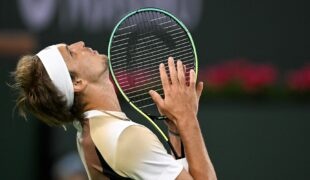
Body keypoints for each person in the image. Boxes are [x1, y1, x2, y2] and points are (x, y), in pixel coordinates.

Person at [11, 41, 217, 179]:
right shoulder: (124, 138)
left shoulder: (91, 131)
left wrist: (176, 130)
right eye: (72, 53)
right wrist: (187, 118)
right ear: (77, 82)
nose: (80, 44)